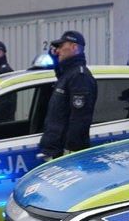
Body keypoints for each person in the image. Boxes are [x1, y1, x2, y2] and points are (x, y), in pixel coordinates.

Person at [39, 30, 97, 160]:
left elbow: (80, 119)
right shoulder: (68, 74)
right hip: (54, 151)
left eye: (61, 46)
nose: (57, 50)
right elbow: (60, 72)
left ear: (74, 47)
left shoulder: (79, 77)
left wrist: (71, 151)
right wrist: (54, 58)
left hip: (64, 154)